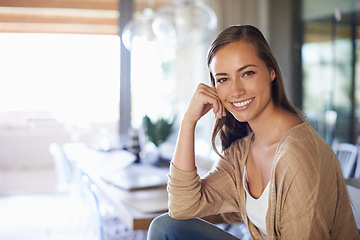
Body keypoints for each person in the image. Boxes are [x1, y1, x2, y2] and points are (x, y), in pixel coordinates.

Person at [147, 25, 359, 240]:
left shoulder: (298, 154)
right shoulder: (242, 152)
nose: (236, 90)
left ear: (271, 71)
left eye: (247, 73)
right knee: (165, 227)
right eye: (223, 79)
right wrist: (188, 122)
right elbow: (182, 207)